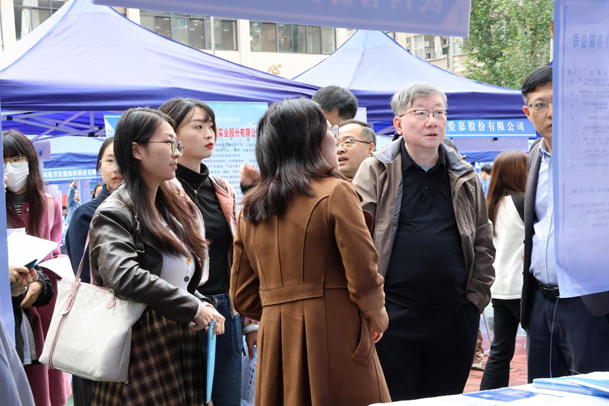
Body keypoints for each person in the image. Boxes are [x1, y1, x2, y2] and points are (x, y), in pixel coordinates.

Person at [230, 98, 390, 406]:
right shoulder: (335, 191)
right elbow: (363, 272)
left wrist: (282, 312)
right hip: (336, 334)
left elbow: (242, 296)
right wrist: (376, 317)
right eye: (329, 129)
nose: (334, 137)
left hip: (276, 341)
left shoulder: (251, 208)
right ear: (311, 139)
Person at [353, 82, 495, 401]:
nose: (432, 121)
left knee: (445, 399)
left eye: (439, 113)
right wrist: (372, 307)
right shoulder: (375, 170)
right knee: (396, 400)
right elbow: (357, 243)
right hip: (394, 315)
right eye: (420, 113)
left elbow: (483, 239)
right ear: (398, 123)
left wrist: (475, 299)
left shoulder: (464, 174)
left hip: (456, 314)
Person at [88, 108, 225, 405]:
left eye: (177, 144)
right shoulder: (114, 212)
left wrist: (199, 301)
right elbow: (124, 276)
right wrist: (191, 306)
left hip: (177, 340)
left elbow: (180, 276)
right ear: (137, 150)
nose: (177, 152)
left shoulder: (169, 207)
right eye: (169, 143)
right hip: (139, 346)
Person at [159, 98, 258, 406]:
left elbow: (237, 257)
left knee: (229, 399)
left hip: (226, 310)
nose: (209, 133)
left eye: (211, 126)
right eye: (198, 126)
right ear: (171, 134)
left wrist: (249, 322)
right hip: (182, 311)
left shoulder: (221, 188)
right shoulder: (160, 189)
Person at [520, 66, 609, 382]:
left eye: (559, 101)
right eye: (540, 104)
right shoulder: (534, 156)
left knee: (590, 391)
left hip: (590, 303)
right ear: (528, 113)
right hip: (540, 301)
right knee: (543, 391)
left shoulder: (600, 154)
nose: (551, 112)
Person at [3, 129, 72, 406]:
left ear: (30, 161)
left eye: (16, 158)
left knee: (42, 381)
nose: (10, 166)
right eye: (3, 160)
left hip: (39, 305)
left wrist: (41, 281)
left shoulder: (49, 204)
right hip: (6, 304)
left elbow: (53, 253)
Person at [64, 137, 123, 406]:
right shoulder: (86, 214)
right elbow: (86, 277)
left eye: (122, 160)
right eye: (110, 160)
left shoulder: (146, 209)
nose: (116, 168)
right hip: (98, 325)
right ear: (99, 166)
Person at [239, 85, 359, 193]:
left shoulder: (353, 177)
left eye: (330, 128)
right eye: (321, 127)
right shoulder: (290, 184)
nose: (334, 141)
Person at [479, 151, 527, 390]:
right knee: (542, 348)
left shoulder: (491, 205)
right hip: (523, 288)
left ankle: (487, 398)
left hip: (499, 288)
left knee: (500, 351)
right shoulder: (523, 202)